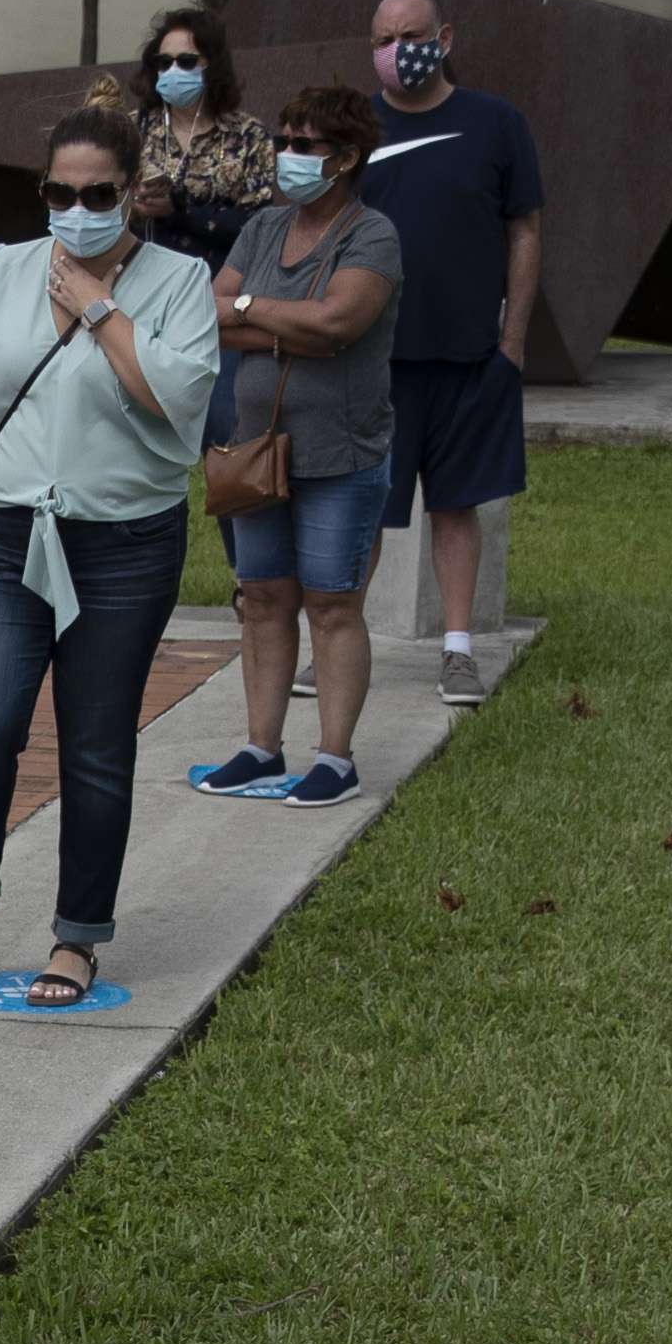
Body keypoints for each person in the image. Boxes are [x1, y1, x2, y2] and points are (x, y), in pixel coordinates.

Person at [0, 104, 217, 1012]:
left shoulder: (179, 281)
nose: (76, 209)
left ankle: (77, 937)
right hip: (2, 535)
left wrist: (99, 309)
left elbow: (173, 401)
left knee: (96, 747)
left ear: (131, 191)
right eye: (60, 193)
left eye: (97, 193)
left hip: (124, 546)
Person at [195, 87, 403, 810]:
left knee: (331, 604)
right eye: (284, 139)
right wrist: (284, 322)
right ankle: (260, 747)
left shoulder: (369, 234)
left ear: (344, 157)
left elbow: (339, 321)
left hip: (339, 454)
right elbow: (206, 315)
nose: (286, 155)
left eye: (303, 144)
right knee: (260, 598)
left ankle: (334, 759)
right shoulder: (260, 229)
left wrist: (250, 310)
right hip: (254, 451)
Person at [359, 0, 541, 709]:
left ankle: (458, 651)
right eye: (382, 36)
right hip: (369, 359)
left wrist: (513, 341)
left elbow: (523, 229)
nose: (397, 47)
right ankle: (338, 641)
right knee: (362, 506)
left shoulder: (495, 123)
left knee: (456, 505)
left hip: (469, 354)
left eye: (411, 33)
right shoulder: (350, 127)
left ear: (445, 37)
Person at [126, 7, 276, 280]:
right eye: (164, 62)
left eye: (186, 61)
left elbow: (259, 228)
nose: (173, 70)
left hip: (214, 283)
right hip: (137, 278)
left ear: (212, 65)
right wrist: (131, 203)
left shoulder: (248, 136)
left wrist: (179, 211)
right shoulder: (132, 128)